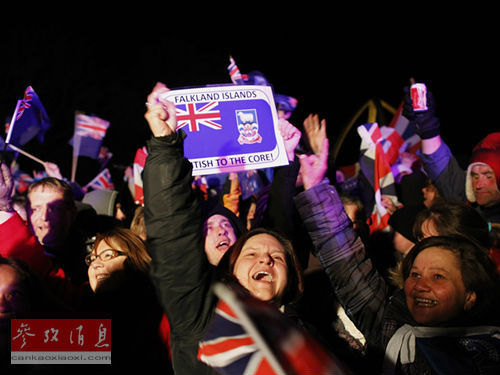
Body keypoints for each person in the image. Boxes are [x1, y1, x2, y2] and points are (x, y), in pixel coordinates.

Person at [142, 83, 353, 375]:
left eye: (277, 258)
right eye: (251, 253)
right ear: (231, 266)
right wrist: (166, 146)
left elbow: (281, 225)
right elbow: (173, 234)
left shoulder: (310, 339)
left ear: (291, 277)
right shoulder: (201, 318)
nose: (265, 260)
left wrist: (286, 159)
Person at [293, 136, 500, 374]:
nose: (421, 285)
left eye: (438, 277)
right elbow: (349, 265)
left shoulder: (489, 353)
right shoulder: (390, 323)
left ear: (470, 294)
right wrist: (316, 189)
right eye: (415, 274)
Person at [403, 82, 500, 224]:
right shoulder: (466, 203)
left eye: (488, 176)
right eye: (474, 176)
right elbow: (439, 165)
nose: (478, 185)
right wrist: (426, 126)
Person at [80, 226, 173, 373]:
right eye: (92, 258)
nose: (95, 264)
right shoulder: (82, 313)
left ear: (136, 260)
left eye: (108, 255)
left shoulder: (161, 316)